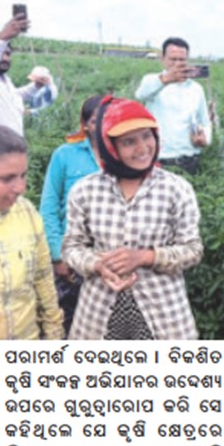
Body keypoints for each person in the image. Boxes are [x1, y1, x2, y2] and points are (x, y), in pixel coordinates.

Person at [62, 98, 203, 339]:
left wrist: (145, 257)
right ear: (110, 146)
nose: (142, 148)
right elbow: (72, 247)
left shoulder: (176, 189)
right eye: (129, 142)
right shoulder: (86, 190)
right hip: (98, 309)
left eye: (147, 137)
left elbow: (193, 249)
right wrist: (98, 265)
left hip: (163, 311)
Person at [0, 125, 63, 340]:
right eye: (7, 179)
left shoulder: (25, 211)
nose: (20, 187)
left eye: (23, 175)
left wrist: (53, 331)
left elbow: (43, 277)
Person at [39, 94, 103, 335]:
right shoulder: (65, 154)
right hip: (72, 258)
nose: (103, 125)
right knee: (68, 324)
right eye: (97, 120)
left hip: (110, 258)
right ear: (85, 124)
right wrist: (57, 255)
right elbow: (49, 206)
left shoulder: (124, 155)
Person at [135, 37, 211, 175]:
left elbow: (204, 120)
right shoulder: (152, 81)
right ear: (163, 59)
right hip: (159, 160)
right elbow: (141, 94)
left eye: (181, 60)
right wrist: (165, 80)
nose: (177, 64)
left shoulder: (196, 89)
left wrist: (205, 139)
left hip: (189, 160)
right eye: (173, 59)